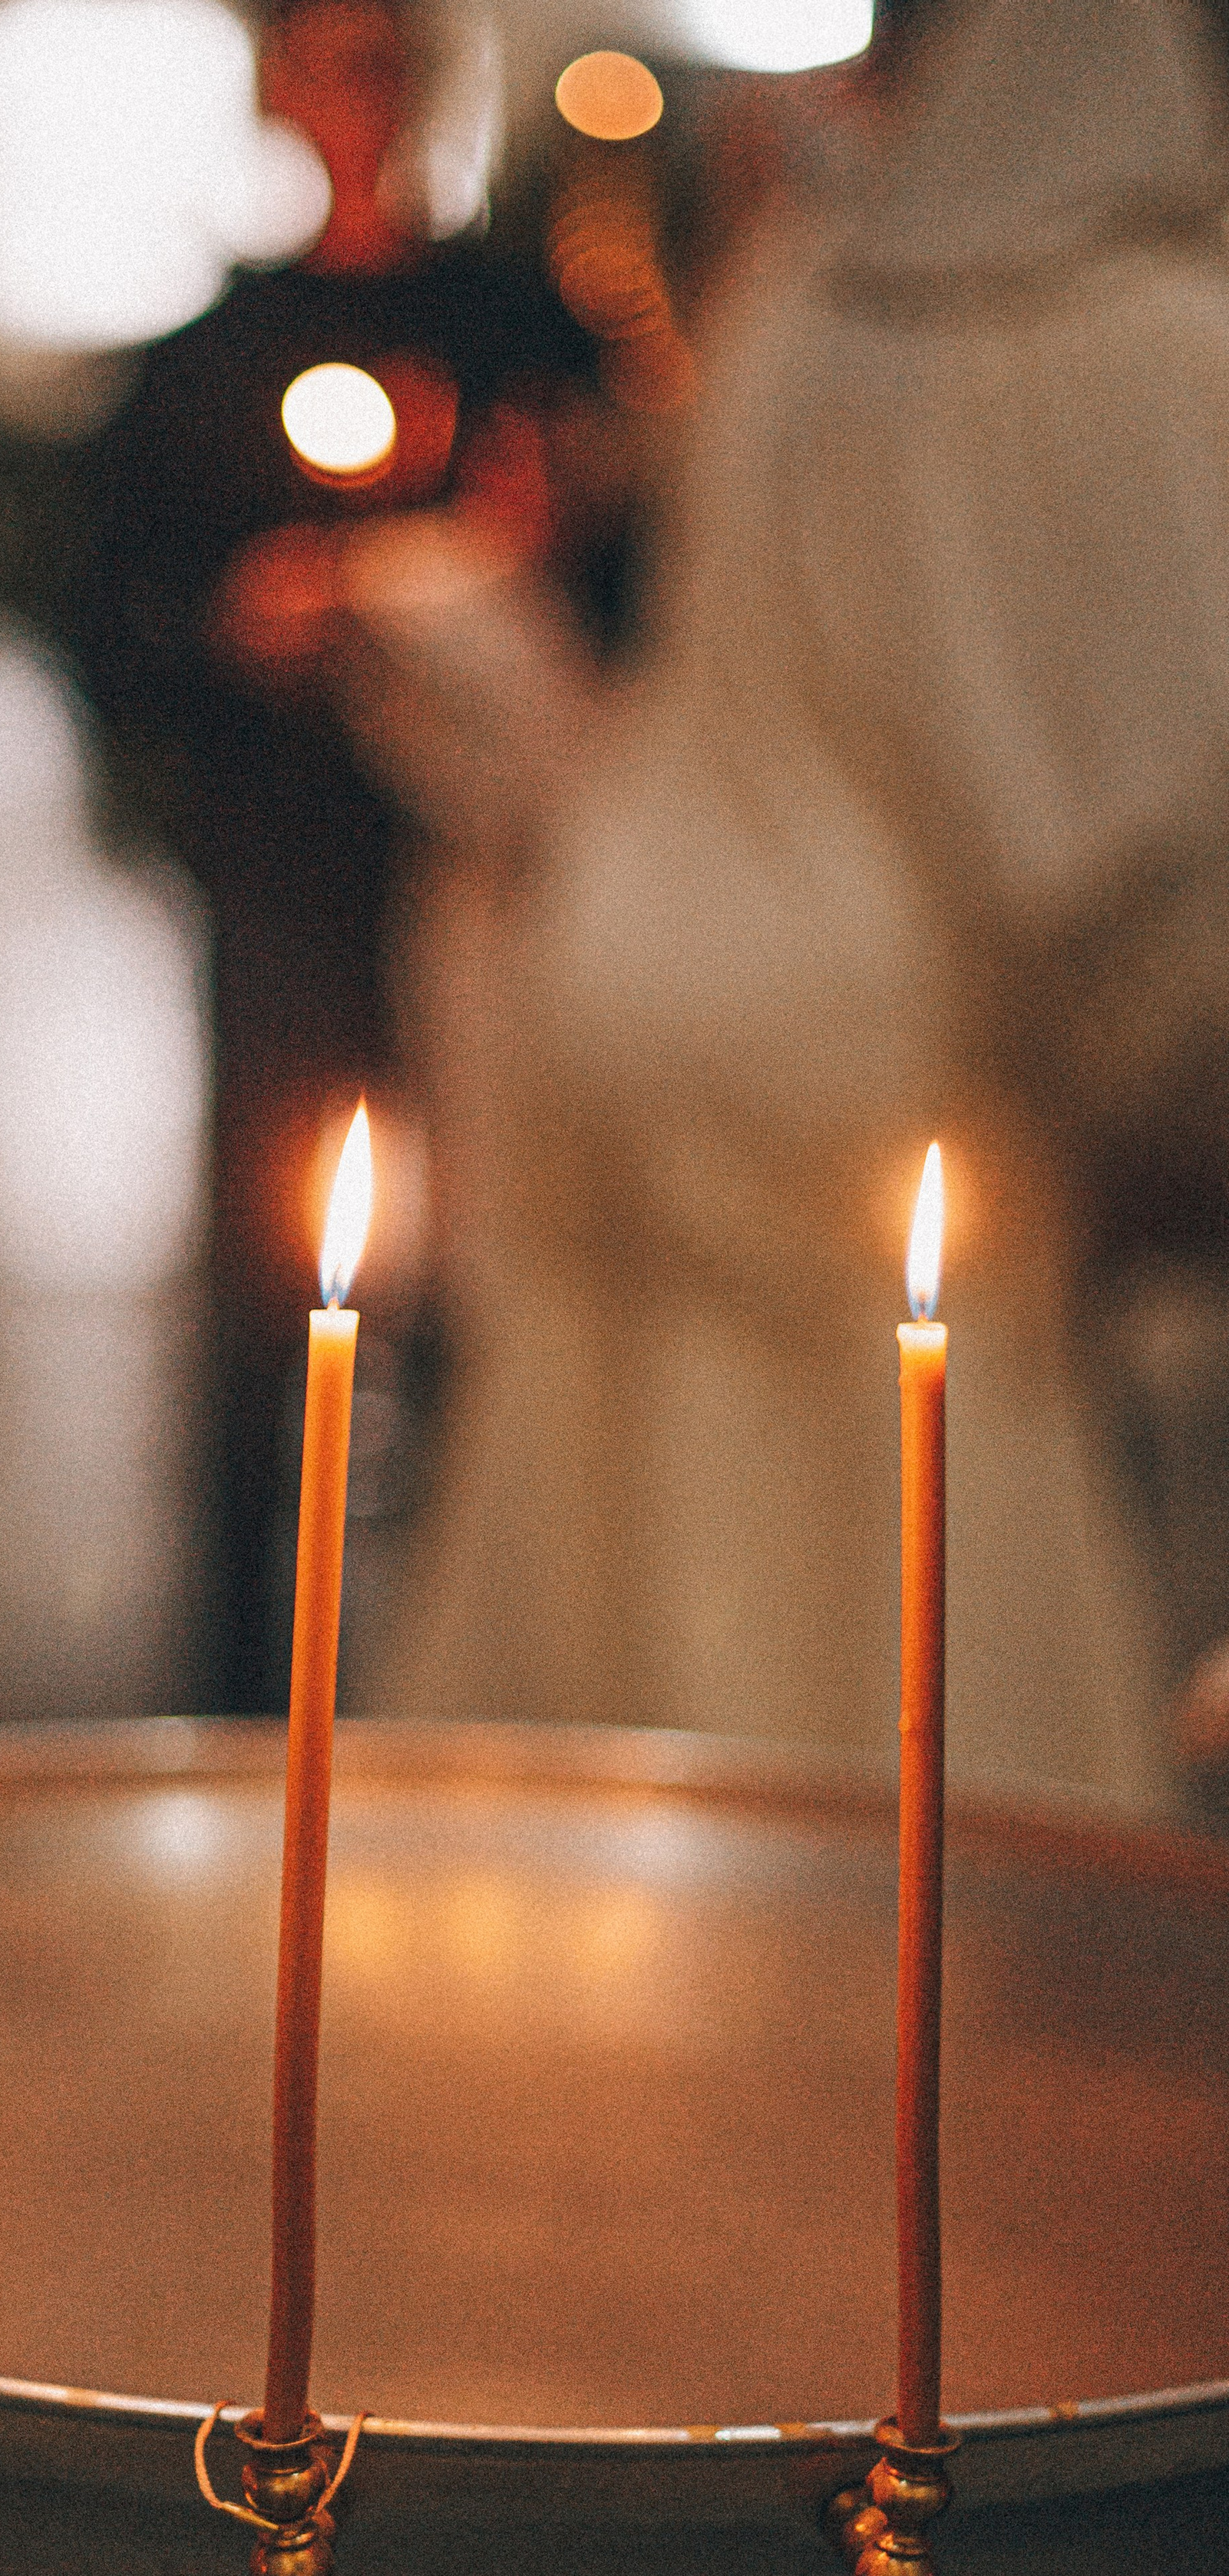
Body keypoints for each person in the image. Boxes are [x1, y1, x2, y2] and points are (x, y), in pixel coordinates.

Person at [380, 0, 1229, 1808]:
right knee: (898, 1710)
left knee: (615, 1616)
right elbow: (1157, 862)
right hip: (868, 1076)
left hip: (622, 981)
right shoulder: (1137, 340)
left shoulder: (801, 274)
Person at [81, 0, 622, 1710]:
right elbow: (118, 614)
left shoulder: (511, 320)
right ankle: (252, 1694)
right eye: (320, 65)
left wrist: (544, 530)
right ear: (276, 91)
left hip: (482, 875)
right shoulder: (206, 355)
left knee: (488, 1277)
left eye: (378, 65)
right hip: (288, 872)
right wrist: (244, 624)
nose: (349, 101)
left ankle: (472, 1679)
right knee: (274, 1275)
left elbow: (616, 573)